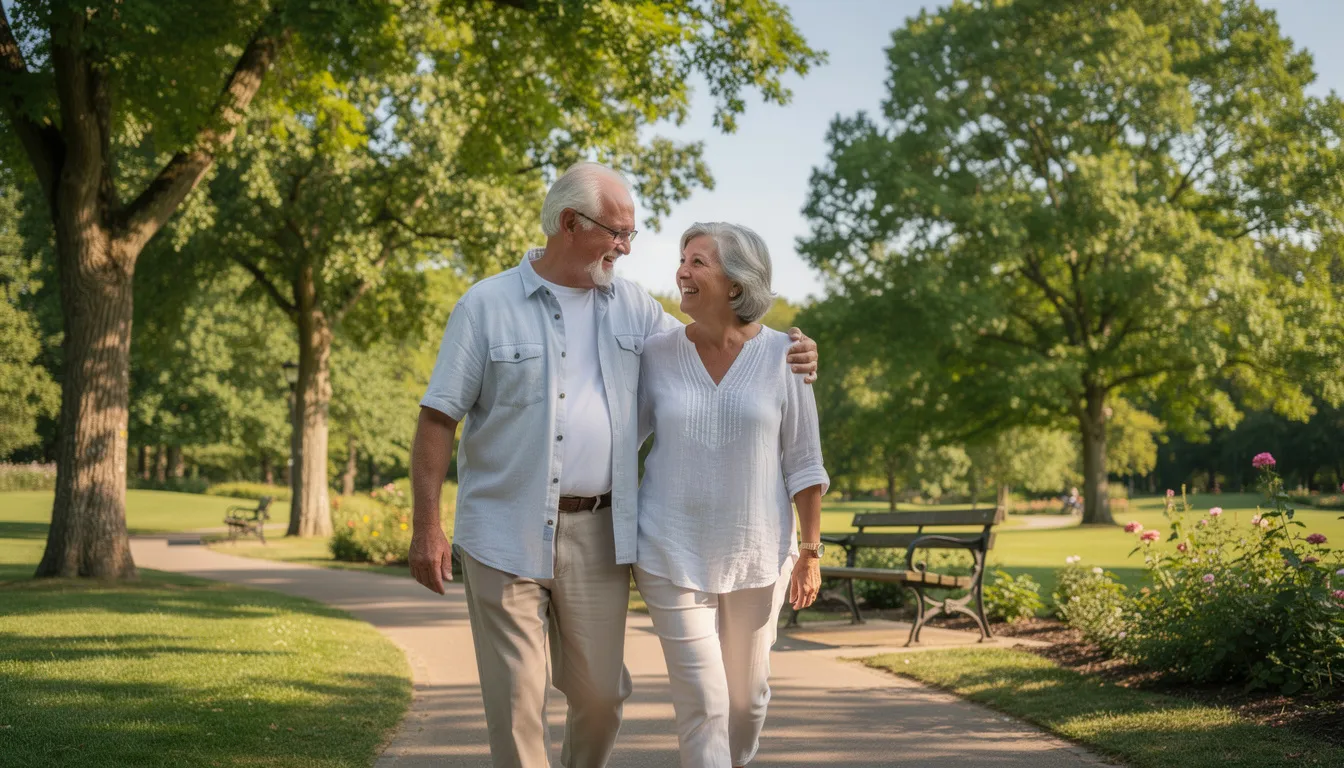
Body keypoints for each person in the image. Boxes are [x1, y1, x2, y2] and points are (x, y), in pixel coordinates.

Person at [408, 163, 818, 768]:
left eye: (632, 234)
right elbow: (437, 419)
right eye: (617, 233)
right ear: (570, 223)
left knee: (601, 698)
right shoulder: (485, 306)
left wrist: (789, 348)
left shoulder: (633, 306)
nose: (628, 247)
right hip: (503, 526)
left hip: (599, 532)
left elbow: (712, 345)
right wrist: (427, 526)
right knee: (519, 701)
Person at [634, 222, 828, 768]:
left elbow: (805, 464)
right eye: (682, 259)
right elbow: (620, 442)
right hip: (668, 549)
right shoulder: (656, 353)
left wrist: (810, 555)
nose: (682, 271)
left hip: (758, 553)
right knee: (705, 703)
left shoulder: (785, 355)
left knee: (747, 703)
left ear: (737, 284)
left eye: (698, 261)